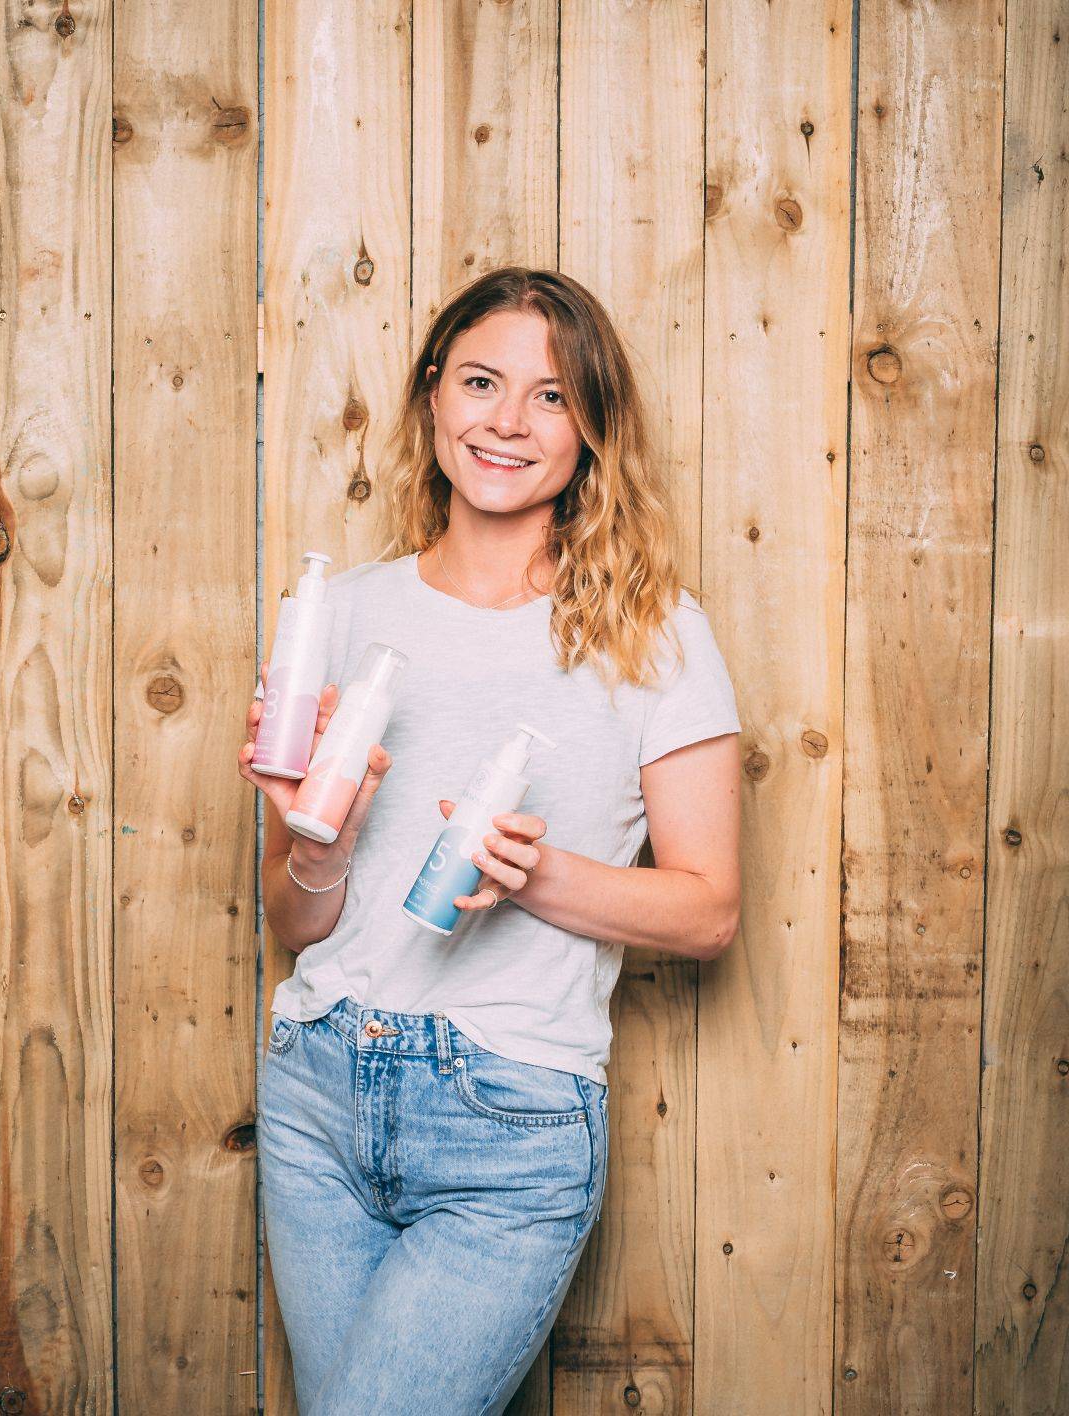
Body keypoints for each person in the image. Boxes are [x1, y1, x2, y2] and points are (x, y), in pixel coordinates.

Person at [237, 266, 743, 1413]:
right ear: (431, 402)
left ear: (590, 432)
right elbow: (295, 915)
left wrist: (535, 874)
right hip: (318, 1089)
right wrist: (315, 847)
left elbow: (707, 909)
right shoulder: (344, 614)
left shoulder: (651, 634)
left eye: (551, 397)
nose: (505, 422)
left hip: (507, 1121)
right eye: (478, 382)